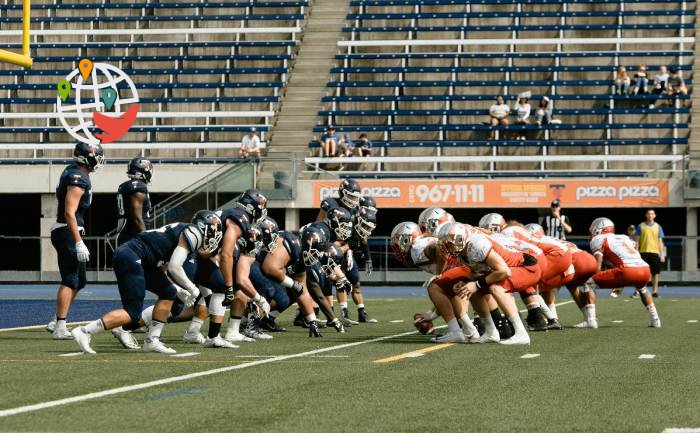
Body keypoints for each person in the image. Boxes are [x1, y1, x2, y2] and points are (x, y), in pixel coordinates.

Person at [71, 210, 224, 354]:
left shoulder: (184, 233)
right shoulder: (193, 233)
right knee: (132, 313)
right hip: (132, 256)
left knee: (168, 292)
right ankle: (85, 331)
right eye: (213, 230)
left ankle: (152, 340)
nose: (215, 235)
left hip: (144, 261)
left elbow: (164, 266)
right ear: (203, 226)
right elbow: (174, 267)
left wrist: (178, 288)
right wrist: (192, 288)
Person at [46, 143, 104, 340]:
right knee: (70, 279)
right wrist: (78, 241)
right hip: (67, 231)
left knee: (80, 281)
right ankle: (60, 326)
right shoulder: (77, 177)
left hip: (69, 231)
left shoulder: (73, 172)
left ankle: (56, 320)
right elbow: (69, 212)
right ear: (88, 158)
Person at [587, 217, 661, 328]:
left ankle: (591, 321)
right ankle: (655, 319)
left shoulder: (598, 240)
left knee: (588, 284)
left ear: (600, 229)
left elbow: (598, 265)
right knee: (642, 289)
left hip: (626, 270)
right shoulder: (624, 237)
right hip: (644, 269)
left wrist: (591, 277)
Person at [116, 157, 153, 246]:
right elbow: (136, 218)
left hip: (125, 234)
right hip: (134, 236)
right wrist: (146, 238)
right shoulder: (138, 186)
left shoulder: (125, 186)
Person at [636, 209, 665, 298]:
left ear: (654, 216)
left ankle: (655, 291)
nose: (650, 215)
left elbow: (660, 241)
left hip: (654, 253)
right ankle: (638, 291)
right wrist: (636, 253)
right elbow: (637, 241)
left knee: (655, 273)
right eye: (648, 214)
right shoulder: (641, 226)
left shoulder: (658, 227)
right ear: (646, 215)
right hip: (643, 252)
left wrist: (662, 254)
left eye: (652, 214)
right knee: (641, 274)